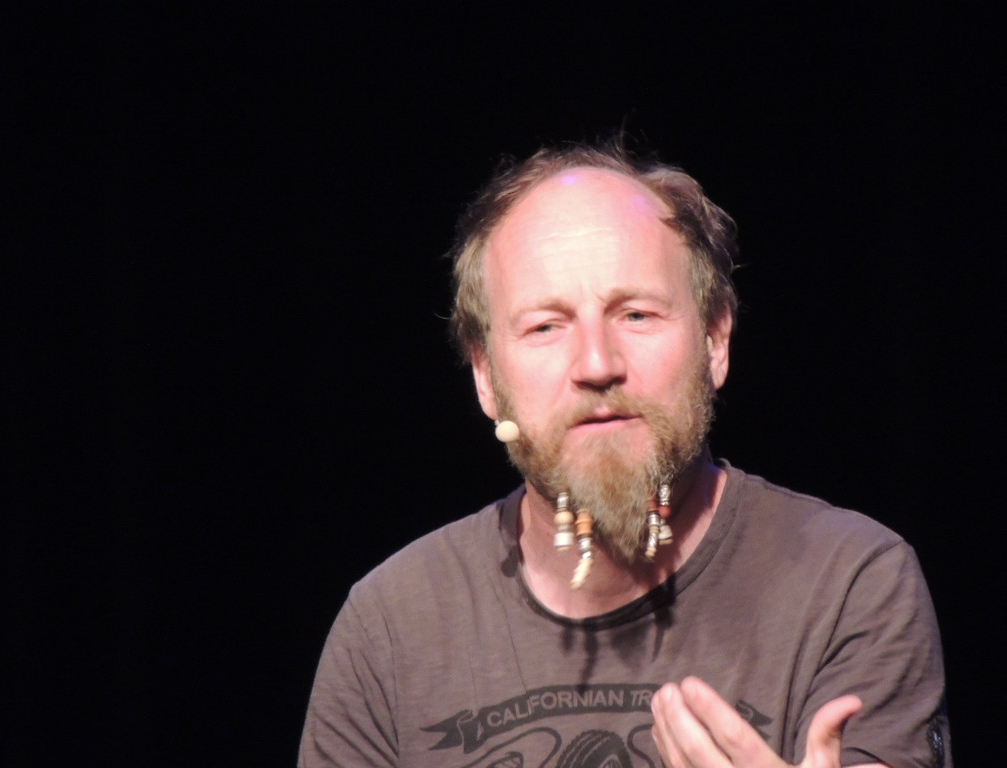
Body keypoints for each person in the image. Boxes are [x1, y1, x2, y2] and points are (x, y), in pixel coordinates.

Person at [298, 143, 950, 768]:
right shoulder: (390, 627)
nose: (596, 364)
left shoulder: (848, 582)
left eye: (636, 314)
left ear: (715, 340)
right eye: (545, 326)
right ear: (486, 378)